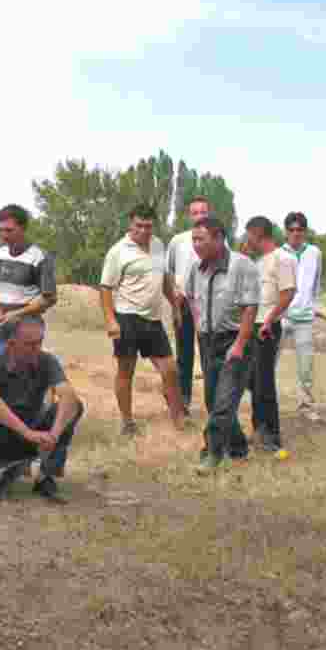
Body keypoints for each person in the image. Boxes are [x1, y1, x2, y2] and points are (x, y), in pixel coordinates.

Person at [0, 316, 83, 505]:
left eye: (40, 342)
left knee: (75, 406)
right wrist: (26, 432)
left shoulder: (47, 361)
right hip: (3, 438)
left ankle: (45, 477)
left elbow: (69, 397)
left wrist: (54, 434)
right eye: (30, 344)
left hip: (35, 435)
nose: (37, 348)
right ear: (11, 344)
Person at [99, 203, 185, 437]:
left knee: (170, 369)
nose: (143, 231)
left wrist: (175, 306)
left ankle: (178, 417)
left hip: (153, 319)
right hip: (127, 318)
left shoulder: (158, 245)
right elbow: (106, 288)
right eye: (139, 226)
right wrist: (110, 320)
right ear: (130, 223)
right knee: (126, 372)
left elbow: (164, 278)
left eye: (148, 226)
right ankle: (127, 422)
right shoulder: (118, 251)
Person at [181, 217, 259, 473]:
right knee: (212, 399)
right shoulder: (195, 269)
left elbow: (250, 308)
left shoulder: (242, 266)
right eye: (193, 239)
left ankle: (212, 453)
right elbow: (191, 298)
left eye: (200, 239)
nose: (196, 244)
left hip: (236, 339)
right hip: (207, 341)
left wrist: (239, 345)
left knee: (224, 400)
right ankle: (238, 447)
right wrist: (199, 325)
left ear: (218, 239)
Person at [243, 216, 296, 453]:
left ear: (257, 233)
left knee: (263, 381)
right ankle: (258, 429)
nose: (247, 240)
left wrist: (269, 319)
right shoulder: (258, 262)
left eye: (248, 235)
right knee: (253, 380)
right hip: (253, 326)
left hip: (267, 327)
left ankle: (271, 434)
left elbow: (288, 293)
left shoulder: (283, 259)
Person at [0, 204, 57, 355]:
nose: (4, 235)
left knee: (27, 372)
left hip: (29, 327)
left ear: (23, 229)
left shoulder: (39, 257)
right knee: (4, 370)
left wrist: (18, 313)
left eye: (9, 230)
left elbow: (49, 298)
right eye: (1, 230)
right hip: (2, 326)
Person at [165, 196, 211, 414]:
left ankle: (214, 403)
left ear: (208, 214)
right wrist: (174, 295)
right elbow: (170, 272)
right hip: (182, 303)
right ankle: (183, 401)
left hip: (208, 305)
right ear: (188, 216)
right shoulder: (178, 241)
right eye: (195, 213)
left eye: (203, 212)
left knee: (208, 353)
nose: (199, 216)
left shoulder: (219, 239)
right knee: (184, 354)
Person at [280, 211, 322, 421]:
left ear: (305, 232)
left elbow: (316, 284)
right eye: (292, 229)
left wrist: (312, 306)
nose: (296, 233)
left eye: (300, 229)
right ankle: (264, 402)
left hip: (304, 317)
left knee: (306, 366)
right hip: (281, 316)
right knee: (268, 362)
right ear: (286, 232)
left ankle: (306, 405)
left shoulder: (315, 253)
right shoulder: (279, 255)